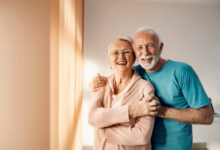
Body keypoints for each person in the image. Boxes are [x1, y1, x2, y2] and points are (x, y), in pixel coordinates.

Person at [89, 26, 213, 150]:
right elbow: (119, 72)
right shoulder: (137, 72)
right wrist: (96, 83)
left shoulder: (182, 71)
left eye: (150, 45)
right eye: (139, 48)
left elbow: (207, 116)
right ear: (135, 54)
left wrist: (162, 111)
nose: (145, 52)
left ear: (161, 47)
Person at [88, 36, 155, 150]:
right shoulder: (102, 84)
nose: (121, 56)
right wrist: (131, 111)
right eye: (115, 53)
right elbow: (92, 117)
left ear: (134, 58)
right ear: (110, 60)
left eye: (126, 52)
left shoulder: (145, 88)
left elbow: (142, 136)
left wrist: (105, 131)